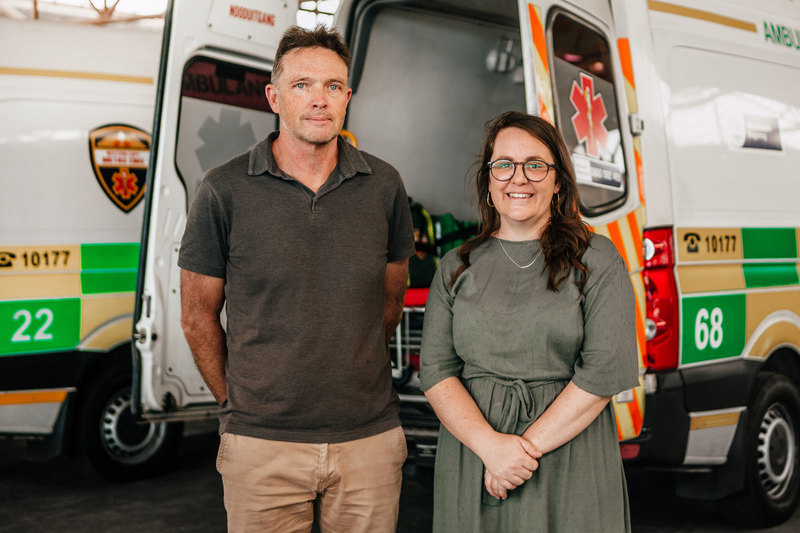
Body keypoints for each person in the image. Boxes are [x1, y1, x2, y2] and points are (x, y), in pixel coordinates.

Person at [178, 25, 415, 532]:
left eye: (333, 87)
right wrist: (236, 405)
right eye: (302, 85)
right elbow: (197, 317)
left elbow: (389, 302)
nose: (318, 100)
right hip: (261, 446)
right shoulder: (222, 189)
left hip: (368, 441)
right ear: (274, 96)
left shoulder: (386, 186)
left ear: (348, 98)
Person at [419, 111, 639, 532]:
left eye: (535, 165)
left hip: (566, 457)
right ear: (488, 180)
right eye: (503, 165)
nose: (518, 178)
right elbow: (436, 372)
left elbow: (604, 369)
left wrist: (518, 454)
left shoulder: (598, 259)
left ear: (558, 181)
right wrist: (491, 449)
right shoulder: (455, 267)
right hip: (475, 456)